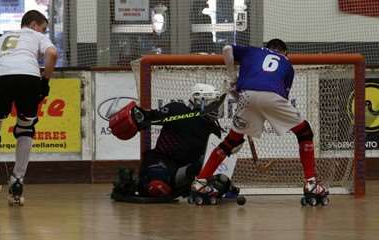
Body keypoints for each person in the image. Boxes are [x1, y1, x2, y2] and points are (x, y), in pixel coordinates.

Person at [191, 39, 329, 206]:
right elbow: (275, 99)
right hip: (272, 97)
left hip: (247, 95)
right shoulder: (287, 65)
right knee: (304, 132)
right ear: (285, 53)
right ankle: (311, 183)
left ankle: (201, 182)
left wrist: (233, 79)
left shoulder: (253, 51)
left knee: (231, 141)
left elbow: (227, 49)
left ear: (266, 48)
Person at [0, 10, 57, 205]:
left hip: (0, 78)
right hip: (29, 78)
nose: (44, 31)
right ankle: (18, 180)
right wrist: (45, 80)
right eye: (43, 28)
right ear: (33, 24)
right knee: (25, 129)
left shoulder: (1, 39)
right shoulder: (37, 36)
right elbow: (53, 54)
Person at [108, 83, 240, 203]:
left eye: (217, 105)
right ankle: (134, 184)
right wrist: (137, 116)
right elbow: (149, 117)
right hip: (161, 161)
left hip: (183, 171)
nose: (216, 109)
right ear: (201, 102)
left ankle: (199, 190)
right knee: (157, 187)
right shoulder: (177, 110)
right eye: (213, 104)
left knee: (219, 180)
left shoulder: (214, 131)